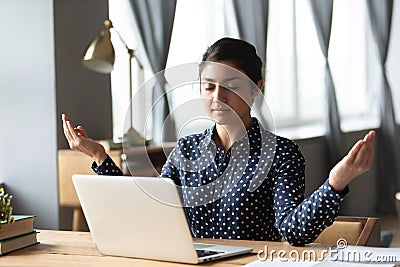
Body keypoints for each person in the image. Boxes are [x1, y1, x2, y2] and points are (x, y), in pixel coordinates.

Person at [62, 37, 375, 245]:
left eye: (231, 85)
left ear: (256, 88)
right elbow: (149, 211)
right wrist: (101, 158)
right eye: (208, 86)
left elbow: (293, 231)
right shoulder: (186, 150)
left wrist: (336, 183)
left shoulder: (281, 154)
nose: (217, 97)